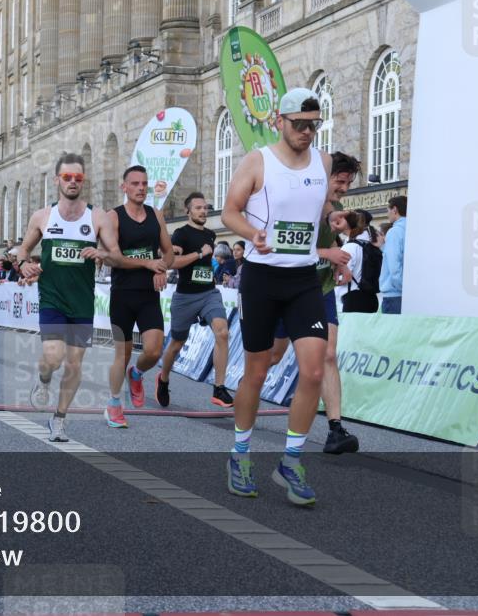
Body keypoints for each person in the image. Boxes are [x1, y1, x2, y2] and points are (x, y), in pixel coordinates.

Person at [221, 87, 336, 507]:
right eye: (299, 124)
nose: (307, 132)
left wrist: (332, 230)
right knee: (256, 372)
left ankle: (291, 460)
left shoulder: (322, 163)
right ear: (280, 121)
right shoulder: (258, 161)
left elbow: (316, 213)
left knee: (313, 371)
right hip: (262, 278)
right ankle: (240, 454)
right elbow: (229, 211)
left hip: (303, 279)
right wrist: (253, 234)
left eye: (313, 124)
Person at [15, 152, 122, 440]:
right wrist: (23, 264)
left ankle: (59, 419)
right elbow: (22, 250)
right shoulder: (43, 216)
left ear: (83, 181)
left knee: (74, 364)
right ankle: (44, 378)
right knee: (53, 355)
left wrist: (101, 253)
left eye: (78, 178)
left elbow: (116, 257)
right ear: (57, 180)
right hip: (52, 297)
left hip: (82, 302)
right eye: (67, 177)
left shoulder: (96, 216)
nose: (72, 182)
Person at [269, 151, 360, 455]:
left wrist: (340, 264)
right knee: (272, 356)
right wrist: (327, 254)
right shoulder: (303, 199)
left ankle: (336, 429)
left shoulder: (337, 207)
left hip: (319, 290)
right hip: (289, 287)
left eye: (348, 182)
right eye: (341, 181)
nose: (345, 187)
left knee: (329, 354)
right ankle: (248, 388)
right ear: (325, 175)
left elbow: (330, 241)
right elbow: (287, 244)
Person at [105, 165, 174, 424]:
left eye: (144, 183)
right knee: (120, 356)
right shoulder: (114, 217)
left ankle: (137, 374)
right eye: (135, 184)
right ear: (124, 187)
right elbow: (114, 258)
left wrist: (162, 268)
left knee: (154, 351)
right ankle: (113, 404)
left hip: (148, 295)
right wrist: (148, 264)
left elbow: (167, 253)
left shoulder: (156, 215)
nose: (141, 188)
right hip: (122, 294)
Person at [157, 192, 233, 409]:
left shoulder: (211, 234)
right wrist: (199, 254)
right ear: (187, 211)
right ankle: (163, 379)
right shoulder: (181, 234)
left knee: (222, 332)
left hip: (209, 293)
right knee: (176, 344)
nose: (203, 211)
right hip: (186, 297)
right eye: (198, 208)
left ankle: (219, 387)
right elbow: (171, 262)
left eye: (205, 207)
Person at [333, 210, 380, 313]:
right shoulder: (368, 244)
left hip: (353, 299)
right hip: (371, 297)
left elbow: (343, 277)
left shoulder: (349, 247)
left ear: (347, 224)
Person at [379, 195, 407, 314]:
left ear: (394, 209)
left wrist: (401, 286)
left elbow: (394, 265)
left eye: (388, 210)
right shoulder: (412, 229)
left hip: (394, 293)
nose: (387, 214)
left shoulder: (394, 231)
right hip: (407, 293)